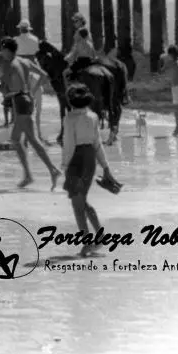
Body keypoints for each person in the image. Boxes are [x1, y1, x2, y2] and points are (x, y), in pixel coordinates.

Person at [0, 37, 61, 190]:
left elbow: (5, 91)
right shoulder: (24, 61)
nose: (1, 53)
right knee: (18, 139)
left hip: (20, 102)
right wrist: (31, 90)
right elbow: (44, 75)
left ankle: (48, 170)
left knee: (30, 140)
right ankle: (32, 174)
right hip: (27, 100)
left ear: (7, 50)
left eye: (2, 50)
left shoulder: (10, 66)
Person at [61, 84, 118, 257]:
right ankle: (99, 237)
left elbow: (69, 144)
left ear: (70, 100)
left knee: (77, 205)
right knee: (82, 202)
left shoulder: (69, 118)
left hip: (76, 160)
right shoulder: (93, 117)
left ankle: (87, 244)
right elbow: (98, 144)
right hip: (90, 159)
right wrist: (105, 167)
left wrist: (65, 165)